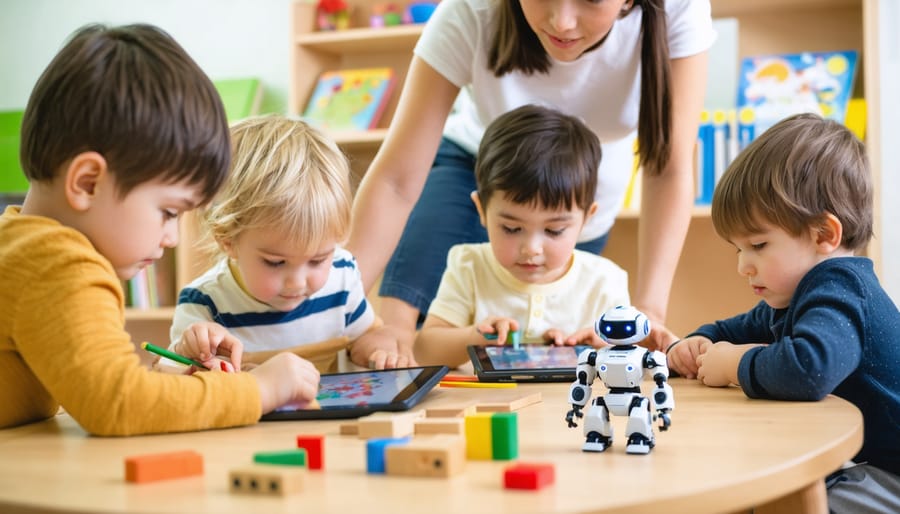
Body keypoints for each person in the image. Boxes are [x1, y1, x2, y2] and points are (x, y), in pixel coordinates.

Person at [0, 24, 320, 436]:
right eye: (169, 212)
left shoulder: (21, 244)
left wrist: (177, 377)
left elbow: (101, 389)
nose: (172, 238)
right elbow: (119, 404)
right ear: (86, 183)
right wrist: (258, 390)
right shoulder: (58, 265)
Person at [347, 0, 714, 357]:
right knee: (416, 332)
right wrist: (342, 308)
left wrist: (650, 311)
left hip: (572, 191)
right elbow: (396, 180)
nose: (562, 22)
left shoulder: (679, 9)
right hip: (473, 165)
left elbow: (668, 168)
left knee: (557, 344)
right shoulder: (470, 11)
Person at [666, 113, 900, 512]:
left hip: (892, 473)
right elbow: (733, 328)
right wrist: (694, 344)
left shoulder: (840, 288)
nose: (743, 265)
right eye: (738, 249)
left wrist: (735, 363)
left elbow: (809, 370)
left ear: (824, 235)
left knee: (797, 501)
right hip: (870, 461)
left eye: (758, 245)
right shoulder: (795, 295)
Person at [169, 114, 409, 372]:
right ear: (227, 239)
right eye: (276, 262)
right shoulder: (204, 303)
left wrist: (379, 347)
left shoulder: (342, 277)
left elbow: (364, 338)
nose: (297, 282)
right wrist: (190, 351)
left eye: (317, 260)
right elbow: (170, 376)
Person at [415, 105, 629, 368]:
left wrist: (601, 349)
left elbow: (632, 361)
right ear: (482, 210)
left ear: (587, 218)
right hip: (485, 407)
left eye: (554, 231)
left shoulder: (605, 281)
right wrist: (475, 337)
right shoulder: (469, 265)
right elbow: (425, 351)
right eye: (512, 228)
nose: (532, 249)